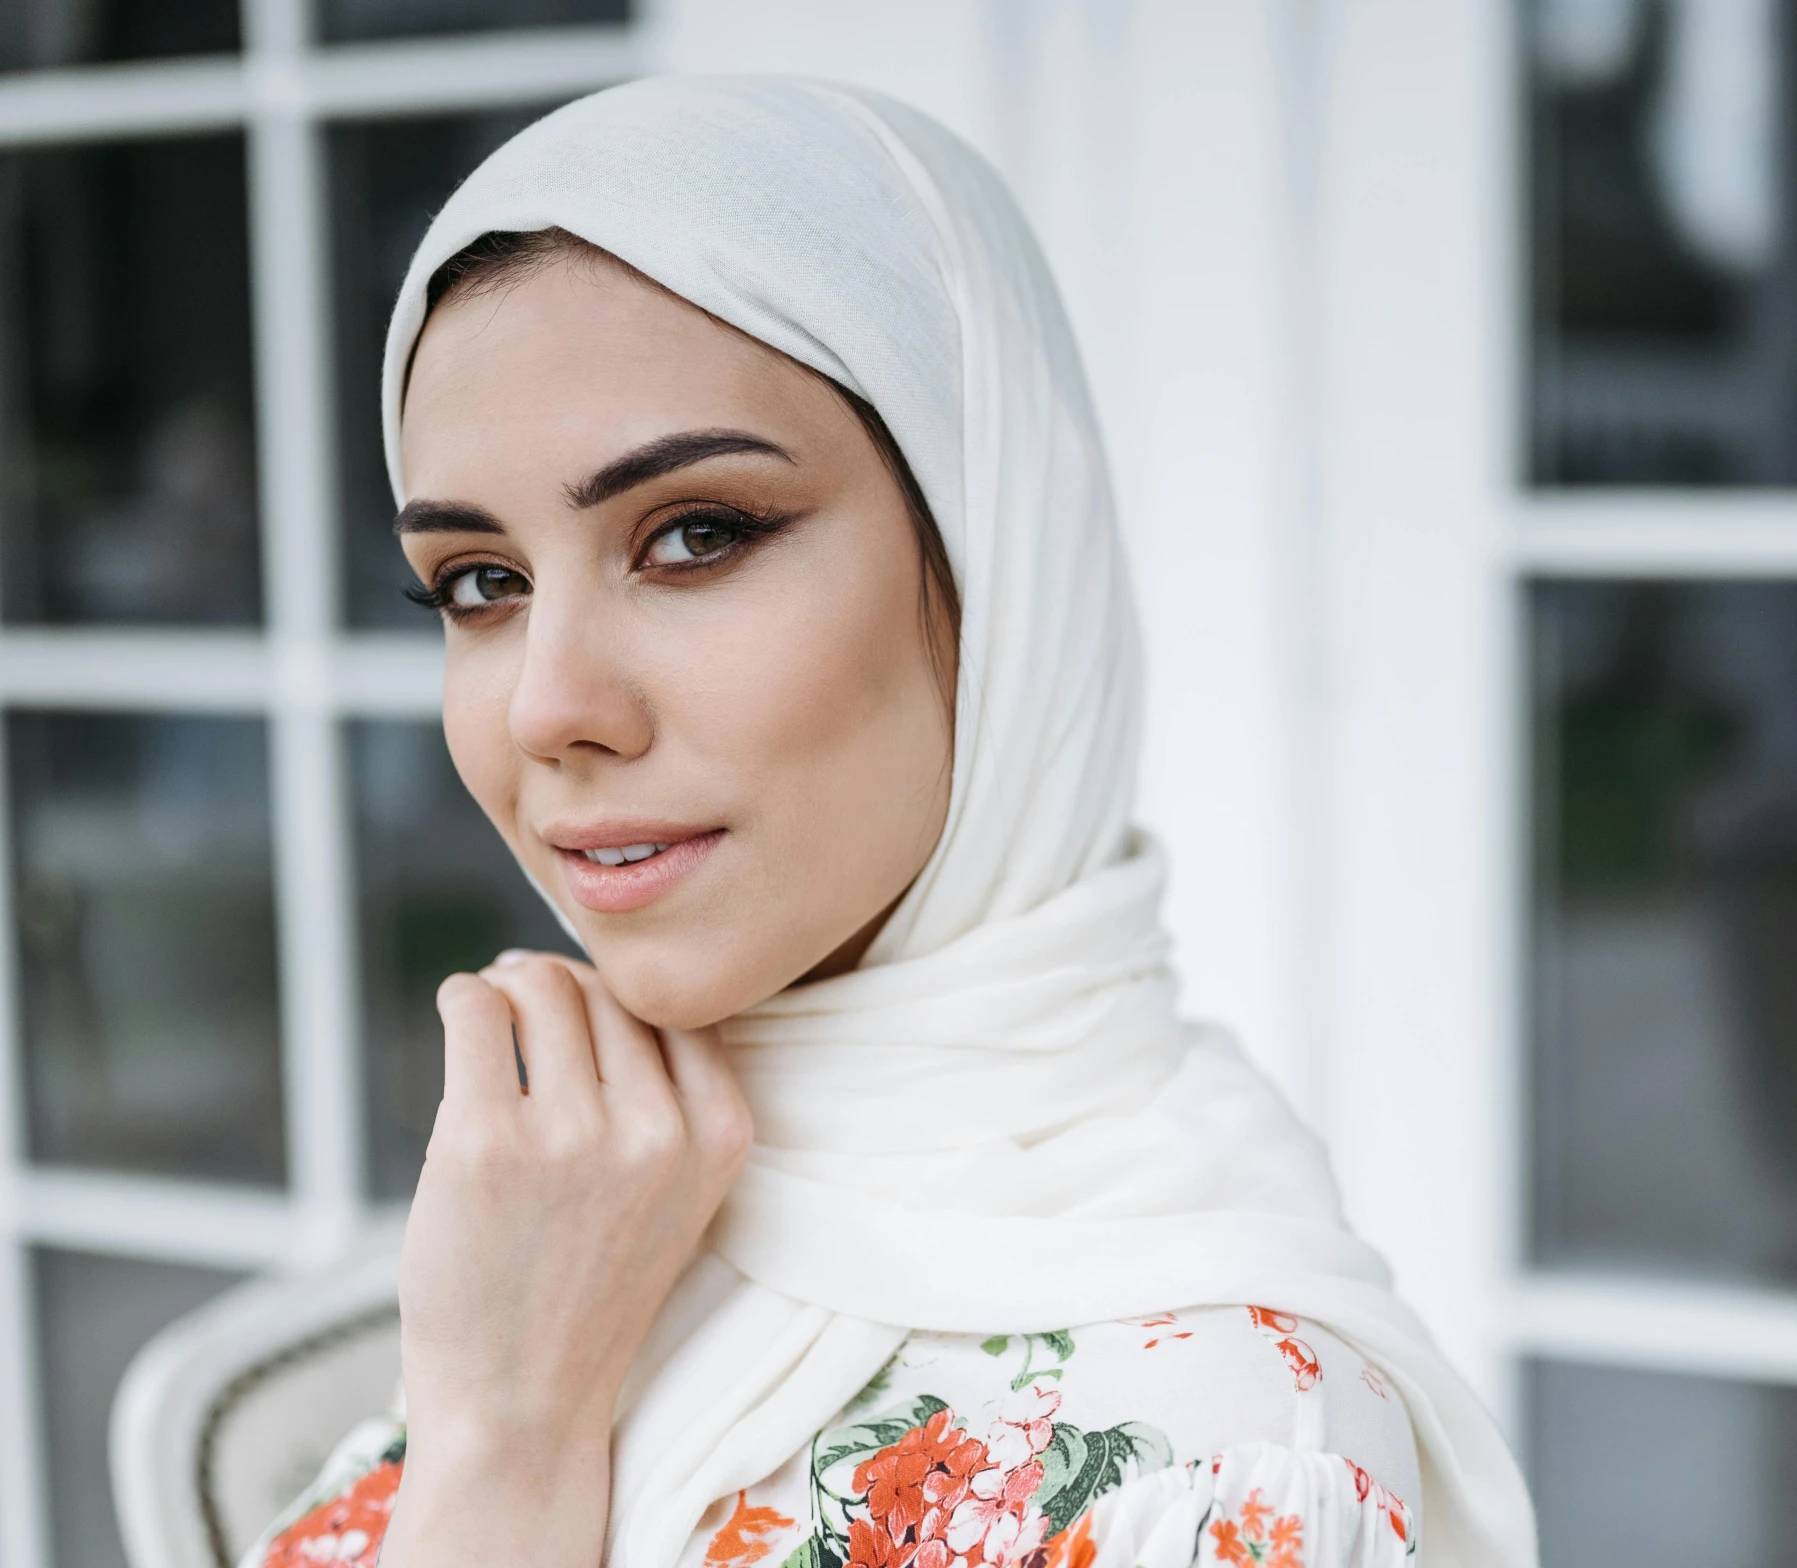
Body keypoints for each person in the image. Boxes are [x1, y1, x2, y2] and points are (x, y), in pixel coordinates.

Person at [242, 77, 1534, 1568]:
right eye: (480, 582)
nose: (547, 707)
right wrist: (491, 1419)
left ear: (999, 567)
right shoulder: (548, 1222)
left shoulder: (1214, 1452)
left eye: (695, 536)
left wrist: (509, 1452)